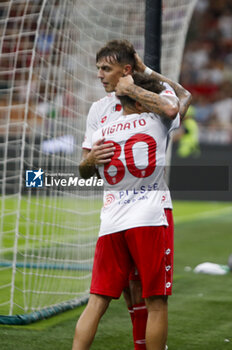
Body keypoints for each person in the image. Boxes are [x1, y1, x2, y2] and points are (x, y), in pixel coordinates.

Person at [77, 39, 192, 350]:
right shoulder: (104, 111)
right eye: (98, 68)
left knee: (109, 296)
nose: (100, 75)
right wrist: (90, 160)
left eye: (106, 68)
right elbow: (180, 99)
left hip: (114, 218)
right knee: (148, 296)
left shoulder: (118, 118)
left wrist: (140, 79)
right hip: (147, 213)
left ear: (125, 71)